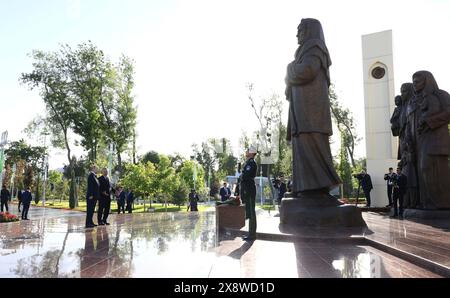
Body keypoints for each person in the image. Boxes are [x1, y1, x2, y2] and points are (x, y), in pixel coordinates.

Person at [285, 18, 341, 197]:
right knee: (302, 147)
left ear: (310, 31)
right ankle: (305, 188)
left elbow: (307, 71)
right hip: (303, 112)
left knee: (312, 147)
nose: (297, 34)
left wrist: (290, 68)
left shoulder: (315, 47)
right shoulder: (304, 50)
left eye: (300, 30)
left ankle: (317, 189)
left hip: (311, 113)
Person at [240, 146, 258, 241]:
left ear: (251, 153)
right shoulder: (248, 163)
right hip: (248, 189)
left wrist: (242, 176)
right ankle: (251, 233)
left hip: (250, 189)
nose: (246, 152)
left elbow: (246, 176)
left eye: (247, 151)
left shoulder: (251, 163)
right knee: (250, 212)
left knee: (251, 212)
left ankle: (252, 235)